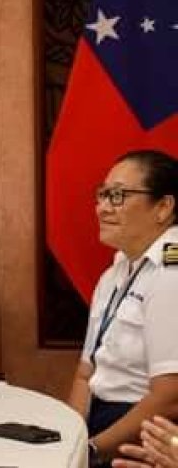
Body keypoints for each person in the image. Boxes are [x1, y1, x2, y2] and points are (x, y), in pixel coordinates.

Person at [64, 150, 178, 467]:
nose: (102, 208)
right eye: (101, 195)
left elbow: (170, 397)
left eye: (117, 196)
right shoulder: (115, 273)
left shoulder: (172, 272)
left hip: (147, 438)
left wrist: (92, 451)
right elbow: (86, 374)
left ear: (163, 207)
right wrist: (70, 441)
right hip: (101, 426)